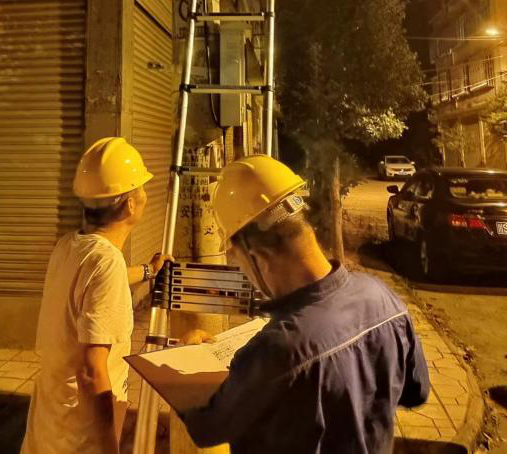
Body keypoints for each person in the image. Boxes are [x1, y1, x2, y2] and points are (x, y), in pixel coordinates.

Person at [179, 155, 430, 454]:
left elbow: (206, 427)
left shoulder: (277, 349)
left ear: (257, 257)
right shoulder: (384, 298)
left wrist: (188, 362)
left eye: (238, 262)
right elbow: (416, 391)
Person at [21, 137, 171, 454]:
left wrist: (148, 271)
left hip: (51, 417)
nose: (146, 194)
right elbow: (92, 371)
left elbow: (97, 284)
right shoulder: (106, 263)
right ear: (130, 204)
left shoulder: (69, 246)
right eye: (142, 188)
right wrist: (108, 447)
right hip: (80, 434)